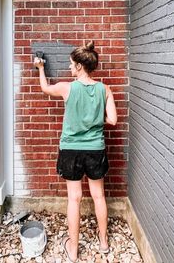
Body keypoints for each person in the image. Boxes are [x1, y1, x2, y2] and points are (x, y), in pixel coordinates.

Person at [34, 41, 117, 262]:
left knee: (75, 199)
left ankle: (72, 250)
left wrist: (41, 68)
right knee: (99, 196)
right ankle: (104, 243)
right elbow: (114, 120)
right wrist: (94, 117)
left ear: (80, 65)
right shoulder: (105, 89)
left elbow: (44, 88)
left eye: (71, 64)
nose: (70, 68)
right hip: (95, 149)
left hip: (71, 149)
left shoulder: (66, 87)